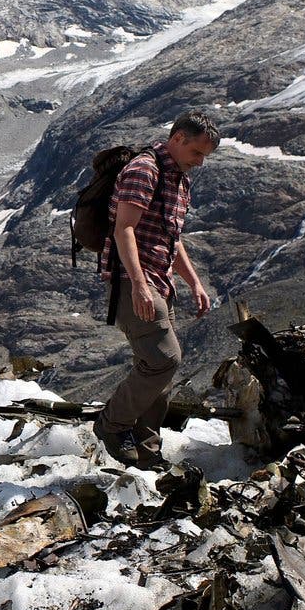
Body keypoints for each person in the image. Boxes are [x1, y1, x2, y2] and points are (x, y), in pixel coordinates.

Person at [92, 112, 218, 466]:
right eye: (197, 152)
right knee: (163, 358)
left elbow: (171, 239)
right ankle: (111, 426)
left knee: (160, 370)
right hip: (135, 282)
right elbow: (124, 230)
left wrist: (194, 282)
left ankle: (147, 450)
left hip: (160, 283)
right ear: (177, 138)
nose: (200, 162)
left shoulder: (179, 179)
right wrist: (138, 284)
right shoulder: (144, 170)